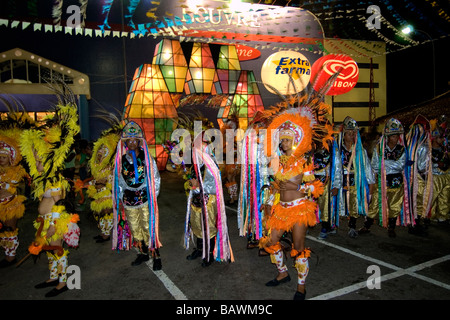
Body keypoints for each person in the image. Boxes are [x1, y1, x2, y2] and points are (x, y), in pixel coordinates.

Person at [260, 109, 326, 300]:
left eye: (287, 140)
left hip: (299, 209)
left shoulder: (304, 162)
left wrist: (302, 189)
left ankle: (301, 287)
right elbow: (275, 187)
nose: (283, 143)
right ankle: (283, 273)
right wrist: (268, 204)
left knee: (298, 247)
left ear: (295, 141)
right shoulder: (279, 162)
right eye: (282, 140)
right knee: (271, 241)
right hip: (282, 209)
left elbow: (315, 186)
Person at [20, 102, 80, 297]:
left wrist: (54, 225)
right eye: (35, 158)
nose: (36, 163)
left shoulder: (56, 180)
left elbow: (60, 203)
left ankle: (65, 282)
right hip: (46, 221)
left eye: (40, 159)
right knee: (49, 251)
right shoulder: (43, 180)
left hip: (56, 222)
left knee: (57, 250)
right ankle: (53, 276)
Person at [112, 121, 162, 270]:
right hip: (129, 201)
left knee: (148, 227)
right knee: (135, 228)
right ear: (126, 142)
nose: (132, 143)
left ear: (139, 141)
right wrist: (120, 198)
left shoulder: (147, 159)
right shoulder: (121, 160)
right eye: (129, 140)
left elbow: (156, 178)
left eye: (135, 140)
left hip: (145, 199)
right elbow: (119, 181)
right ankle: (143, 253)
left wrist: (153, 196)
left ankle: (156, 256)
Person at [184, 131, 234, 267]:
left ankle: (210, 253)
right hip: (196, 201)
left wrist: (198, 185)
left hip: (208, 201)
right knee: (196, 225)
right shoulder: (195, 166)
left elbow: (212, 185)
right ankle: (200, 250)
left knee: (208, 228)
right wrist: (191, 184)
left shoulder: (212, 166)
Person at [364, 118, 407, 237]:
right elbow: (375, 165)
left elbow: (400, 165)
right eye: (393, 136)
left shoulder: (401, 149)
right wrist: (385, 166)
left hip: (396, 181)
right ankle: (367, 225)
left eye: (397, 136)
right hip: (381, 181)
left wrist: (384, 164)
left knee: (395, 204)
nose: (395, 138)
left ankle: (391, 227)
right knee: (375, 203)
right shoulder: (379, 148)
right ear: (388, 137)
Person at [333, 117, 375, 238]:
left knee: (355, 205)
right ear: (344, 134)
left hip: (356, 182)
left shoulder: (360, 151)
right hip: (342, 182)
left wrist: (370, 185)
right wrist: (336, 184)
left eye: (353, 134)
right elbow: (335, 168)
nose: (351, 136)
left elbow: (367, 168)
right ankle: (333, 225)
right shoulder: (338, 151)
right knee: (341, 205)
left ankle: (352, 226)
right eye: (349, 133)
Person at [0, 127, 30, 267]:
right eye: (0, 156)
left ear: (11, 158)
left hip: (12, 205)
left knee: (10, 229)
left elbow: (21, 188)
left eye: (4, 157)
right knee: (3, 229)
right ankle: (7, 254)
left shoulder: (17, 172)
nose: (1, 159)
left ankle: (11, 257)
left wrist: (7, 188)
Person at [87, 128, 120, 243]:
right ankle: (103, 232)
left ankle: (106, 235)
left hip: (106, 194)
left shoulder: (109, 167)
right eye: (99, 152)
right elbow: (96, 180)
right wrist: (88, 185)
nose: (100, 154)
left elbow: (111, 181)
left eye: (103, 152)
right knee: (99, 214)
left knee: (107, 214)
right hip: (98, 194)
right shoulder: (97, 167)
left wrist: (104, 185)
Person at [405, 115, 433, 235]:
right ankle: (416, 223)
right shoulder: (424, 145)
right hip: (419, 178)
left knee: (411, 200)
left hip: (409, 176)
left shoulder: (408, 142)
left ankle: (412, 223)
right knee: (419, 200)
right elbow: (422, 166)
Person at [315, 136, 342, 240]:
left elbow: (338, 167)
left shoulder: (333, 151)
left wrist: (336, 185)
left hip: (326, 182)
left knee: (325, 206)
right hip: (313, 181)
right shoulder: (312, 148)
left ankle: (325, 228)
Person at [429, 116, 449, 223]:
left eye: (443, 138)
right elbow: (425, 165)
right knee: (433, 197)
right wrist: (437, 165)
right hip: (435, 176)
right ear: (434, 138)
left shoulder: (444, 150)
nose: (442, 140)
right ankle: (430, 216)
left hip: (445, 175)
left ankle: (443, 215)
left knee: (445, 197)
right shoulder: (429, 150)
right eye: (441, 138)